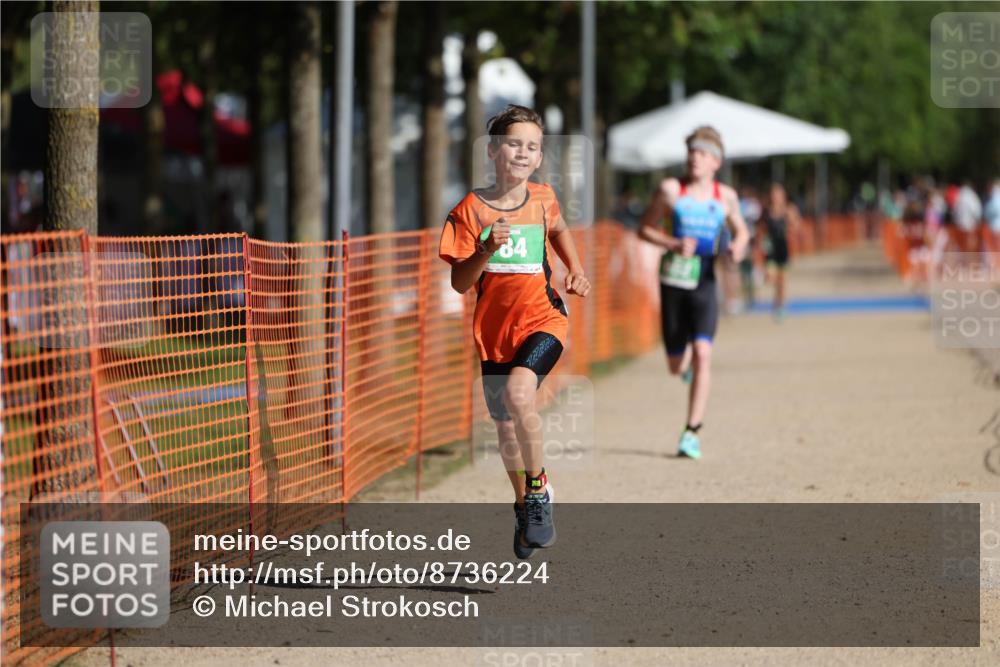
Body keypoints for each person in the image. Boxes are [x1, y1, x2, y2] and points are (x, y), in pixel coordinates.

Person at [438, 105, 590, 558]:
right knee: (505, 429)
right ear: (492, 150)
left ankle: (540, 492)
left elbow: (559, 228)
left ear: (539, 157)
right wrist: (485, 247)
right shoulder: (469, 210)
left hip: (544, 319)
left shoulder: (543, 199)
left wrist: (575, 270)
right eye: (513, 144)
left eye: (532, 146)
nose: (522, 153)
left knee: (520, 397)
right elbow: (460, 282)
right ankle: (523, 505)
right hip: (494, 333)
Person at [638, 126, 749, 459]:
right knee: (676, 365)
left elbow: (741, 232)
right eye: (691, 152)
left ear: (716, 161)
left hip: (704, 281)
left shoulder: (724, 197)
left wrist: (738, 249)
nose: (694, 158)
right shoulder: (671, 190)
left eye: (701, 153)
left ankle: (692, 431)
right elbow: (643, 228)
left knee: (703, 352)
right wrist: (672, 242)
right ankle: (682, 365)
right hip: (673, 281)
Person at [759, 183, 802, 321]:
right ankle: (776, 299)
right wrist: (761, 244)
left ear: (783, 196)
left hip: (783, 247)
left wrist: (792, 223)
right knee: (771, 277)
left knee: (782, 281)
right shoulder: (766, 211)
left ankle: (780, 306)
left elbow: (797, 227)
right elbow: (762, 228)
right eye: (773, 194)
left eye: (778, 194)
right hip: (771, 248)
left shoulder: (789, 210)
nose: (776, 197)